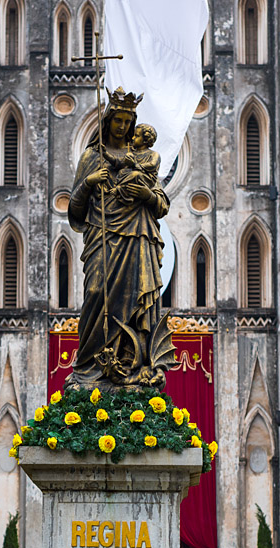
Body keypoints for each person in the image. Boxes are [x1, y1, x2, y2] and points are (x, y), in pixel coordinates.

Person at [66, 86, 172, 389]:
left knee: (137, 303)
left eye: (128, 121)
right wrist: (88, 182)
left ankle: (130, 364)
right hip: (103, 237)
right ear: (108, 120)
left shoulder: (141, 157)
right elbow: (75, 209)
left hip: (138, 237)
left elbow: (162, 204)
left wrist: (146, 194)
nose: (123, 127)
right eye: (118, 120)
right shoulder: (92, 156)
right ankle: (89, 367)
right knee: (97, 292)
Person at [104, 123, 161, 204]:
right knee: (122, 172)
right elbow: (119, 163)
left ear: (145, 140)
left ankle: (119, 189)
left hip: (146, 179)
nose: (133, 138)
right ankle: (124, 193)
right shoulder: (131, 153)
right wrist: (105, 154)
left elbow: (152, 165)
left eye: (136, 136)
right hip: (131, 178)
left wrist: (134, 165)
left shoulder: (154, 154)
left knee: (135, 174)